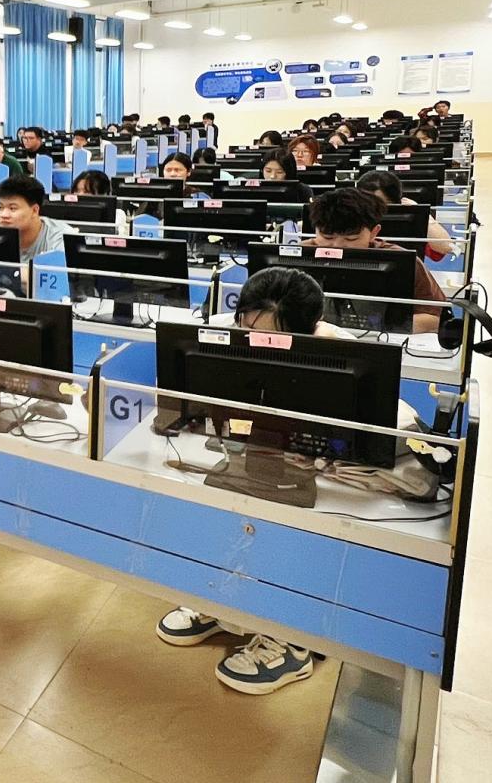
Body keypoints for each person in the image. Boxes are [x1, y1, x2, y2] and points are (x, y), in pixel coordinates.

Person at [155, 266, 366, 693]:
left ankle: (292, 641)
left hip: (309, 477)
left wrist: (323, 449)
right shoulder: (217, 334)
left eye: (272, 337)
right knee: (219, 518)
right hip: (239, 457)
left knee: (282, 534)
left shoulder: (340, 352)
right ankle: (224, 603)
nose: (255, 343)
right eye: (248, 329)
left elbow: (368, 436)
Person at [305, 188, 446, 332]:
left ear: (374, 232)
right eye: (327, 237)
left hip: (381, 340)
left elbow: (436, 318)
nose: (338, 246)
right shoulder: (298, 254)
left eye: (351, 239)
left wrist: (380, 326)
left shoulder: (403, 261)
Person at [355, 169, 453, 260]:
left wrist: (419, 213)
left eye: (377, 205)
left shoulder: (407, 221)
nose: (370, 210)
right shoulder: (352, 215)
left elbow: (446, 247)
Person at [0, 175, 67, 262]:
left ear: (34, 210)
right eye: (0, 207)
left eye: (12, 208)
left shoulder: (60, 237)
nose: (4, 215)